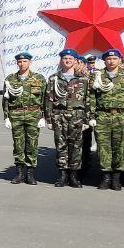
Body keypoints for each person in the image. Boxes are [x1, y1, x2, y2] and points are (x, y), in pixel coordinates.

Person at [89, 47, 124, 191]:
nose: (111, 61)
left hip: (122, 116)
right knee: (103, 147)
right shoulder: (97, 76)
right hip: (102, 115)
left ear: (120, 60)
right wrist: (92, 116)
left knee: (120, 147)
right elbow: (91, 98)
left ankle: (116, 177)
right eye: (108, 59)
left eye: (114, 58)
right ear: (104, 60)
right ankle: (105, 176)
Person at [43, 48, 88, 188]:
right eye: (65, 59)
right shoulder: (54, 78)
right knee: (61, 146)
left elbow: (89, 100)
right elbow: (48, 99)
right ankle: (62, 176)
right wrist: (48, 119)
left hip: (77, 116)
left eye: (70, 59)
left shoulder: (83, 79)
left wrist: (87, 119)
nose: (67, 61)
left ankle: (74, 176)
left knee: (76, 147)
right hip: (59, 115)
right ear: (61, 61)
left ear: (75, 61)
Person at [3, 52, 46, 184]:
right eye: (20, 62)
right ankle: (19, 174)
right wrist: (6, 117)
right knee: (18, 145)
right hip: (16, 115)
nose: (22, 64)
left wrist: (43, 117)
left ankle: (30, 174)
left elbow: (44, 98)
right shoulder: (10, 79)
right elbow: (5, 100)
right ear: (17, 63)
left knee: (32, 145)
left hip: (33, 116)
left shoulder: (39, 78)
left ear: (30, 62)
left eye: (25, 61)